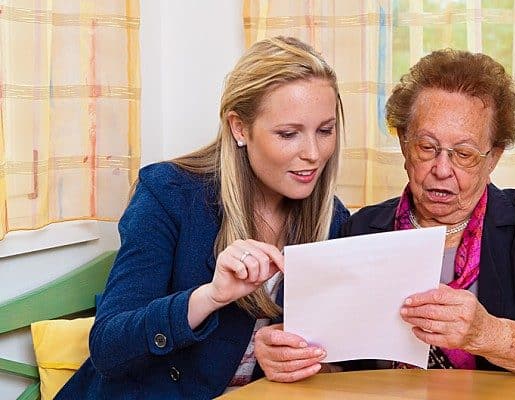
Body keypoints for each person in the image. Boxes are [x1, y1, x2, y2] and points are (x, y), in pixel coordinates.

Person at [254, 49, 515, 382]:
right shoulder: (361, 229)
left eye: (463, 154)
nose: (441, 169)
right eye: (426, 147)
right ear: (405, 143)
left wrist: (486, 333)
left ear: (492, 157)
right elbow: (340, 368)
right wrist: (295, 359)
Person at [56, 36, 350, 399]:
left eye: (325, 130)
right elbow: (109, 347)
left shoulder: (331, 218)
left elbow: (328, 351)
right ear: (239, 128)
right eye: (288, 134)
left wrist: (289, 357)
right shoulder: (168, 194)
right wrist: (210, 296)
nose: (313, 153)